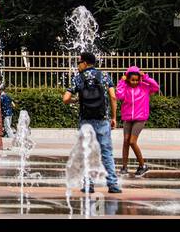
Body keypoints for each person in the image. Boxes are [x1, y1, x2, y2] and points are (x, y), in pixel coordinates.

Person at [62, 52, 121, 194]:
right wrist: (113, 117)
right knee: (107, 153)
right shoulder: (105, 76)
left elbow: (65, 99)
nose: (78, 66)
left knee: (86, 152)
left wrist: (75, 100)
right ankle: (113, 184)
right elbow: (113, 97)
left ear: (85, 63)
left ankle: (88, 184)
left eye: (79, 63)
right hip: (103, 120)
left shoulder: (78, 78)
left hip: (85, 121)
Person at [115, 65, 159, 177]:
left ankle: (143, 166)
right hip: (127, 117)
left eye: (136, 79)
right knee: (125, 141)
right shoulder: (125, 87)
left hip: (140, 118)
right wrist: (122, 82)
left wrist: (145, 77)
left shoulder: (144, 86)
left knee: (132, 142)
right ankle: (124, 167)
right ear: (128, 79)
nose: (134, 82)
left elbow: (156, 87)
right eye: (132, 80)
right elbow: (119, 95)